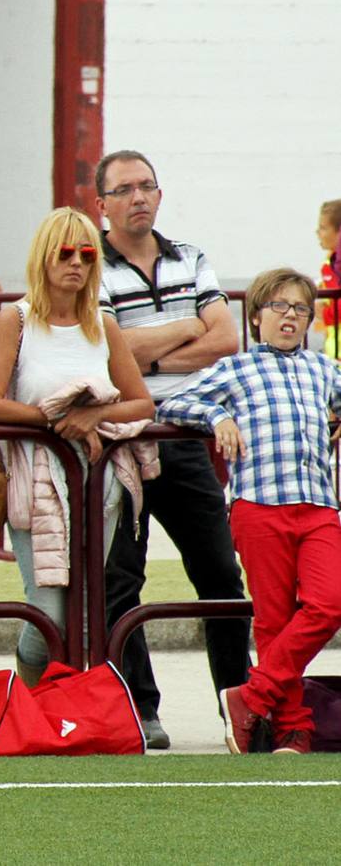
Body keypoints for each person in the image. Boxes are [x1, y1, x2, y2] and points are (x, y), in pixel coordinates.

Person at [94, 148, 250, 750]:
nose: (139, 197)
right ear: (101, 203)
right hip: (125, 441)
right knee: (119, 582)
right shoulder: (94, 267)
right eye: (125, 189)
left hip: (188, 438)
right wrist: (188, 328)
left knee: (219, 574)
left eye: (147, 186)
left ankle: (237, 704)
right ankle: (142, 712)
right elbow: (112, 351)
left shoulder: (192, 256)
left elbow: (227, 339)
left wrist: (147, 350)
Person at [158, 268, 341, 755]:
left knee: (329, 603)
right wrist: (217, 415)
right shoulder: (235, 368)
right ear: (256, 315)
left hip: (318, 504)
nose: (290, 317)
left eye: (300, 308)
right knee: (274, 621)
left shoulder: (324, 369)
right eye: (279, 307)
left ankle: (253, 696)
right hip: (258, 505)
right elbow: (173, 403)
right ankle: (292, 730)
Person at [0, 208, 152, 686]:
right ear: (45, 257)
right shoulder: (15, 319)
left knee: (89, 605)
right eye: (65, 253)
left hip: (100, 479)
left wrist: (94, 416)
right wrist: (57, 422)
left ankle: (73, 708)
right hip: (35, 478)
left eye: (87, 254)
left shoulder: (102, 323)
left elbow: (142, 404)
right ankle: (32, 697)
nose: (76, 262)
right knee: (49, 611)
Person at [315, 199, 341, 357]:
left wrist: (324, 313)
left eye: (323, 228)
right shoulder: (330, 262)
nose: (319, 233)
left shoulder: (335, 265)